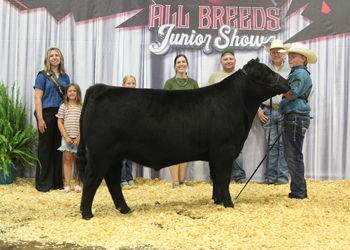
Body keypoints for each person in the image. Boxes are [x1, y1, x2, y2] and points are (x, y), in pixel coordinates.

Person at [278, 42, 317, 199]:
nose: (289, 59)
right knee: (293, 154)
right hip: (294, 117)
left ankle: (299, 191)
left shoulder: (300, 74)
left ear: (303, 58)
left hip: (295, 118)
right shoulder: (297, 73)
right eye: (289, 57)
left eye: (293, 57)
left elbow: (292, 94)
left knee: (293, 155)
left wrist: (279, 85)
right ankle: (297, 190)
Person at [207, 48, 247, 184]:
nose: (228, 61)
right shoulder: (214, 76)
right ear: (221, 62)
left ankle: (239, 176)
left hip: (237, 118)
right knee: (215, 147)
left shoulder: (242, 76)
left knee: (237, 148)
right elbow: (208, 97)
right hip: (218, 118)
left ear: (235, 61)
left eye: (230, 59)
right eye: (225, 59)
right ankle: (215, 177)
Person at [34, 45, 70, 192]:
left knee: (57, 149)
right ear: (48, 59)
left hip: (61, 115)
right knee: (44, 149)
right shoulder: (42, 76)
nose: (54, 57)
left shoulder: (65, 77)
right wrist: (40, 119)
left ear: (60, 58)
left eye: (57, 55)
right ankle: (43, 183)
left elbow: (68, 97)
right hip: (47, 114)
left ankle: (56, 182)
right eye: (52, 55)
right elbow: (37, 97)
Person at [257, 39, 291, 185]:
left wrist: (289, 109)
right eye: (273, 52)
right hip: (268, 111)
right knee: (271, 145)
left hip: (284, 111)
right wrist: (258, 110)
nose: (276, 54)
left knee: (284, 145)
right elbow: (256, 91)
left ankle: (283, 178)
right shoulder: (264, 70)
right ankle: (270, 178)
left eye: (279, 52)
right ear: (270, 54)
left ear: (284, 54)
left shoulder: (291, 69)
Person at [164, 54, 199, 188]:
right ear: (175, 66)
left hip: (189, 121)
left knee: (185, 151)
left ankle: (181, 180)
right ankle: (174, 181)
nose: (181, 64)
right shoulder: (169, 83)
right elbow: (164, 102)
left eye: (183, 61)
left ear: (187, 64)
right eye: (178, 62)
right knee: (173, 150)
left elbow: (198, 102)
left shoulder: (193, 83)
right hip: (173, 121)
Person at [56, 83, 83, 193]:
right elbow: (60, 122)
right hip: (66, 138)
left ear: (78, 93)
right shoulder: (63, 106)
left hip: (78, 138)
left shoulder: (82, 107)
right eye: (69, 91)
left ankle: (77, 184)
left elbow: (83, 123)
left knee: (78, 161)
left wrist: (79, 137)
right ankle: (67, 185)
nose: (72, 93)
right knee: (67, 160)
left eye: (74, 91)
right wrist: (66, 137)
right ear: (66, 94)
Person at [120, 75, 136, 187]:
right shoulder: (120, 99)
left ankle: (129, 178)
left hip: (133, 131)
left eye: (133, 83)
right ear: (123, 85)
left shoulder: (136, 98)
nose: (131, 85)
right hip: (122, 131)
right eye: (128, 83)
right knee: (122, 158)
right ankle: (122, 180)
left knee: (130, 157)